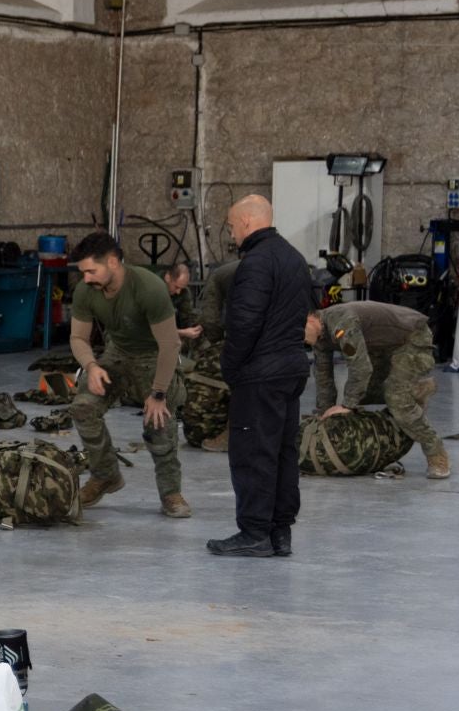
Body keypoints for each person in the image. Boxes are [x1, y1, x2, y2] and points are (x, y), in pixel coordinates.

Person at [208, 195, 312, 558]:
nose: (232, 233)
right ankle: (279, 532)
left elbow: (243, 324)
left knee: (253, 452)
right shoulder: (295, 259)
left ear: (249, 223)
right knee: (283, 452)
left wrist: (231, 368)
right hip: (292, 369)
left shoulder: (255, 264)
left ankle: (254, 532)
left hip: (260, 374)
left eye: (233, 226)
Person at [65, 232, 192, 518]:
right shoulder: (86, 290)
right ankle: (105, 475)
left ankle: (171, 492)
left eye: (91, 271)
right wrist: (92, 366)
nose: (86, 278)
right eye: (83, 272)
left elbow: (170, 344)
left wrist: (158, 393)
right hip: (117, 353)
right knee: (83, 406)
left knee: (159, 422)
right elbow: (78, 338)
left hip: (155, 356)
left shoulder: (149, 287)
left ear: (113, 262)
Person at [309, 301, 449, 479]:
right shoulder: (319, 337)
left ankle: (436, 453)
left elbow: (360, 368)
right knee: (363, 392)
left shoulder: (340, 322)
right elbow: (323, 377)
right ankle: (414, 391)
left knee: (396, 398)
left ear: (310, 319)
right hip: (384, 345)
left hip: (412, 338)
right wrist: (324, 415)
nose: (301, 341)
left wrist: (347, 405)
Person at [164, 262, 201, 343]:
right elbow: (154, 330)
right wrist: (183, 333)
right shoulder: (155, 291)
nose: (178, 292)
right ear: (167, 278)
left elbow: (187, 317)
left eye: (182, 288)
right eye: (176, 287)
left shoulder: (183, 292)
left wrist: (196, 328)